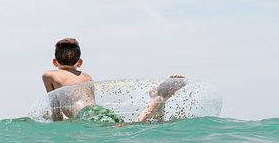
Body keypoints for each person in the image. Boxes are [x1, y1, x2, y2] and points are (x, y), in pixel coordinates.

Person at [42, 38, 186, 123]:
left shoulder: (49, 75)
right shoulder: (86, 77)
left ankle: (156, 98)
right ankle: (159, 101)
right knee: (129, 127)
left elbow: (56, 112)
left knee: (130, 131)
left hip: (87, 115)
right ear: (79, 63)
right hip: (97, 111)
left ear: (55, 62)